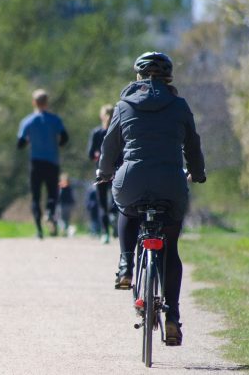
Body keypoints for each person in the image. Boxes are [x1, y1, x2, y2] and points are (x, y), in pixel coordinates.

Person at [97, 52, 206, 346]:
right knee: (170, 250)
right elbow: (192, 145)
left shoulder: (123, 105)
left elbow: (109, 146)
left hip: (132, 180)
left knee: (126, 207)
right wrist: (197, 173)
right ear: (168, 78)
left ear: (138, 77)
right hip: (171, 184)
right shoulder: (179, 106)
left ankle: (125, 265)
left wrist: (103, 172)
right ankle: (172, 316)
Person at [17, 89, 69, 239]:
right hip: (52, 161)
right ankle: (50, 212)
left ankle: (39, 230)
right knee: (53, 193)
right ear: (47, 102)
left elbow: (20, 144)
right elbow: (65, 138)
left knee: (36, 196)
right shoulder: (55, 120)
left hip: (35, 163)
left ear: (34, 102)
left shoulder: (27, 121)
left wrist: (29, 140)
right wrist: (55, 143)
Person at [87, 104, 116, 244]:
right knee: (117, 200)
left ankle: (105, 233)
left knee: (102, 204)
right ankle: (114, 216)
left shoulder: (97, 133)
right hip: (117, 171)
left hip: (101, 172)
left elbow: (90, 154)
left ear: (101, 116)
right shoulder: (118, 131)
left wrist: (97, 156)